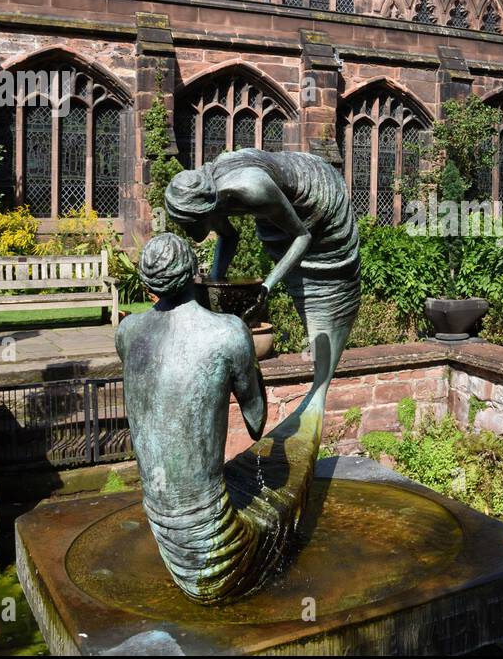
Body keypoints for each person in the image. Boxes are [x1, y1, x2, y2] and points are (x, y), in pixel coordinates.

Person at [115, 232, 267, 601]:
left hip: (159, 518)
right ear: (193, 274)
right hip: (213, 534)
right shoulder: (228, 331)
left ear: (148, 281)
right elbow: (256, 423)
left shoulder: (127, 331)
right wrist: (245, 353)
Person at [163, 148, 361, 429]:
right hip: (283, 214)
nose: (188, 232)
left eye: (190, 224)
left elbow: (302, 236)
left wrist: (266, 287)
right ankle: (313, 401)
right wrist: (213, 283)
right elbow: (229, 236)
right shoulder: (208, 196)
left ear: (203, 210)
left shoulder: (250, 187)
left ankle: (318, 395)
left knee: (325, 293)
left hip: (319, 200)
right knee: (299, 283)